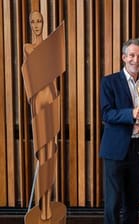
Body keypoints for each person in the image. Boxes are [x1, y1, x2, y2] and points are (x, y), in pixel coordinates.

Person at [99, 38, 139, 224]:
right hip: (115, 150)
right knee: (113, 203)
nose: (136, 59)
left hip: (137, 149)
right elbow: (106, 114)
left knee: (133, 203)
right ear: (124, 57)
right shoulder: (109, 82)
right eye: (132, 55)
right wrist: (131, 113)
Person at [23, 11, 58, 221]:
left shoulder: (50, 46)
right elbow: (35, 71)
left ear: (44, 23)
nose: (36, 25)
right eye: (33, 22)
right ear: (29, 24)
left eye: (39, 21)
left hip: (52, 97)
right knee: (42, 153)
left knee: (51, 153)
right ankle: (42, 204)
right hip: (38, 100)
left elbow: (52, 77)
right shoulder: (28, 47)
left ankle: (48, 203)